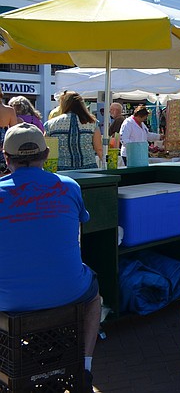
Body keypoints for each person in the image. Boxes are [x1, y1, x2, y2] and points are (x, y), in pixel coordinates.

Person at [0, 123, 102, 389]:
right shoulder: (69, 186)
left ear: (5, 157)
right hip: (68, 291)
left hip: (8, 300)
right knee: (94, 296)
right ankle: (85, 368)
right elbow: (80, 222)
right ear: (46, 155)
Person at [44, 91, 103, 170]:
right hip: (88, 168)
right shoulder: (92, 123)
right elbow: (98, 148)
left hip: (62, 169)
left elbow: (45, 149)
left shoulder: (50, 124)